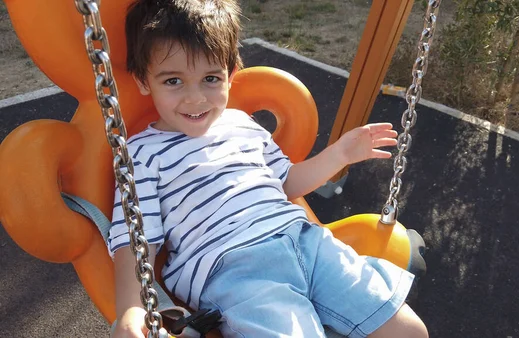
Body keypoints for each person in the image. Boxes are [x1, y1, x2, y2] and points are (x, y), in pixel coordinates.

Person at [109, 0, 429, 337]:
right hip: (235, 270)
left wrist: (340, 154)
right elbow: (135, 240)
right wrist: (131, 308)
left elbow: (288, 182)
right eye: (173, 81)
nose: (195, 98)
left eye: (210, 78)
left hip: (309, 244)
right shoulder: (141, 154)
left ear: (231, 75)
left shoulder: (242, 124)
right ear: (144, 81)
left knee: (409, 331)